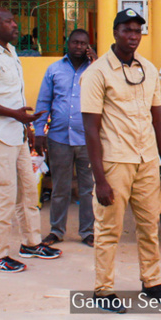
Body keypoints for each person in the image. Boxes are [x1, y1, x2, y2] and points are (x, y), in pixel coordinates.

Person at [81, 8, 161, 312]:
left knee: (150, 225)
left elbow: (158, 119)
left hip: (147, 160)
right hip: (115, 161)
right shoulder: (97, 73)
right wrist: (99, 178)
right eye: (127, 30)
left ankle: (151, 282)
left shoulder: (148, 69)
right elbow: (90, 128)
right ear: (115, 32)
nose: (133, 36)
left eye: (137, 31)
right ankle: (104, 289)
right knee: (109, 228)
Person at [0, 7, 61, 273]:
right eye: (9, 22)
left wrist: (25, 127)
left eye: (14, 21)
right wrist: (15, 115)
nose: (15, 25)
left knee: (28, 192)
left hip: (15, 136)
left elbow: (11, 96)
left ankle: (31, 243)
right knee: (2, 196)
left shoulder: (10, 52)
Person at [33, 29, 98, 248]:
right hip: (59, 138)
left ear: (89, 46)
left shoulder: (96, 70)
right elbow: (43, 103)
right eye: (75, 43)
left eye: (83, 43)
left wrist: (96, 62)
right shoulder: (54, 70)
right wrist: (39, 133)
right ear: (67, 43)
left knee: (88, 189)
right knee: (60, 188)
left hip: (88, 140)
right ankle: (56, 231)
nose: (79, 47)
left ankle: (88, 231)